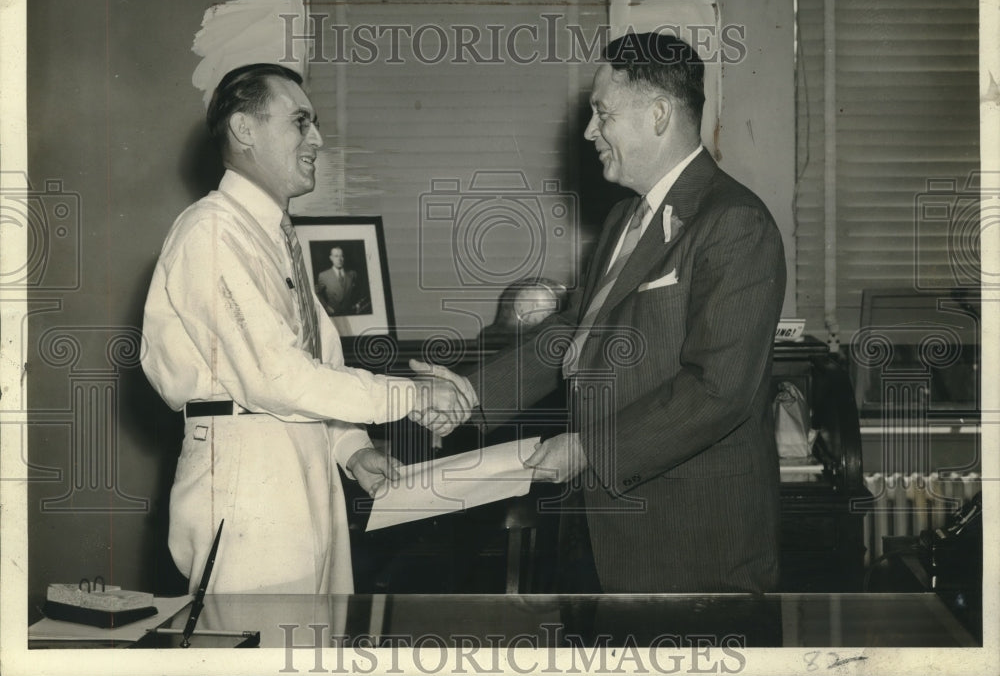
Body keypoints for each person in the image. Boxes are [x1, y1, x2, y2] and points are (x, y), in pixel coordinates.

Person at [426, 32, 786, 594]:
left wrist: (590, 450)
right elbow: (576, 330)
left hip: (692, 542)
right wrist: (474, 395)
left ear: (660, 114)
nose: (590, 131)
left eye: (602, 113)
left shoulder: (734, 222)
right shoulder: (624, 218)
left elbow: (718, 390)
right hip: (604, 532)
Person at [142, 52, 470, 594]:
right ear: (245, 128)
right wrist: (414, 396)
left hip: (302, 469)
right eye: (300, 121)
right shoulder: (212, 233)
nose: (317, 138)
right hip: (247, 479)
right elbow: (276, 378)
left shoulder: (272, 238)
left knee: (316, 645)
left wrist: (353, 450)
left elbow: (318, 367)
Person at [315, 246, 360, 316]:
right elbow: (316, 293)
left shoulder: (352, 274)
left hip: (350, 313)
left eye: (341, 256)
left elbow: (358, 292)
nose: (339, 259)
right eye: (336, 256)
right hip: (333, 315)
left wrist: (357, 304)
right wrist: (326, 307)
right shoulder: (323, 275)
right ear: (331, 258)